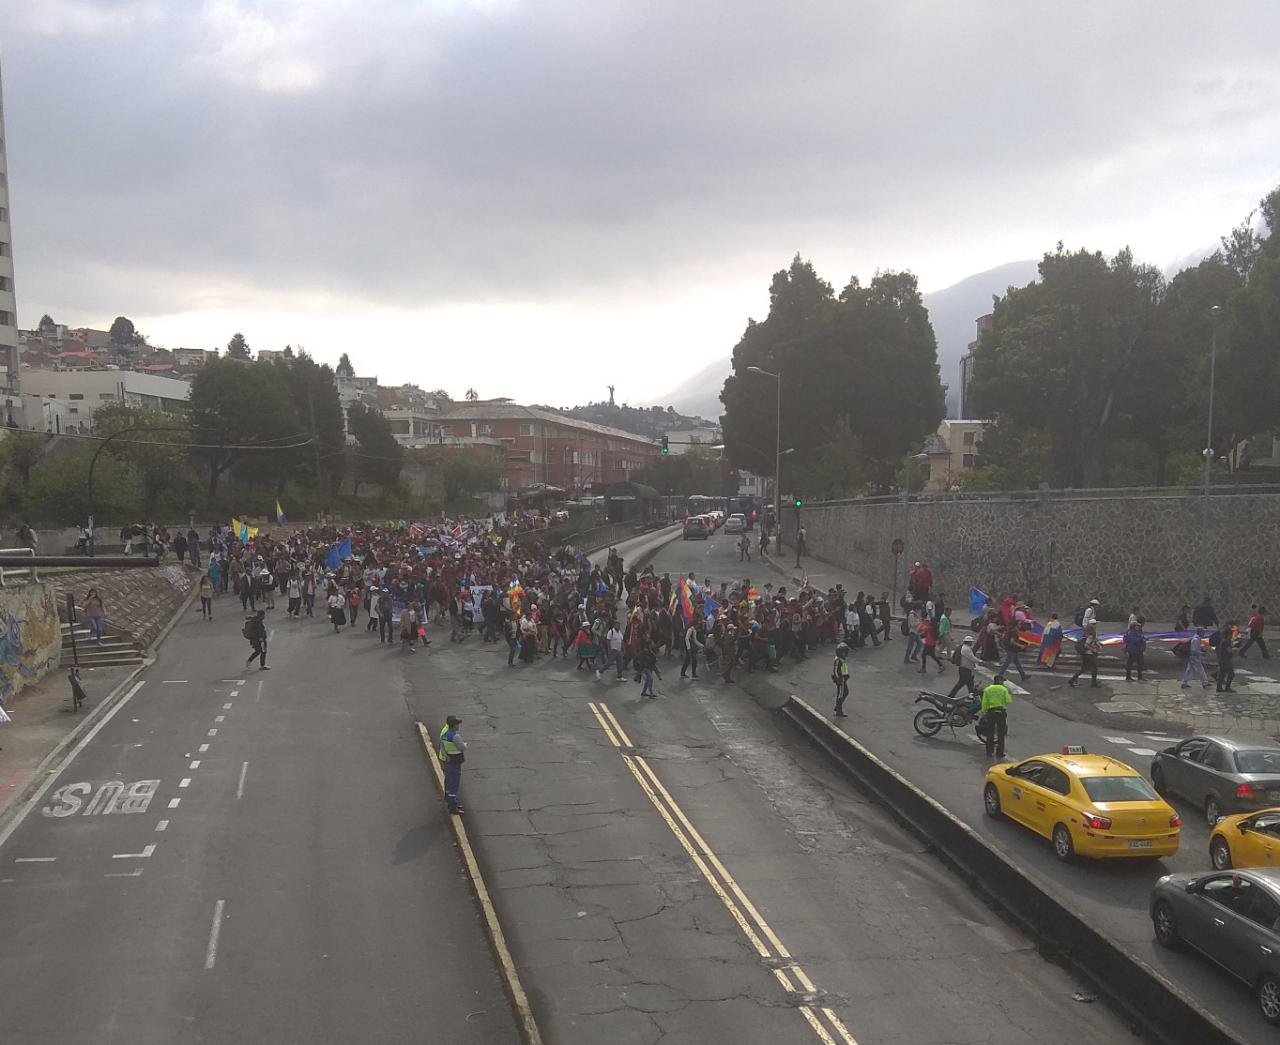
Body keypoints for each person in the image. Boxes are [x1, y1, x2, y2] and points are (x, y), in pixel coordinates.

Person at [438, 715, 466, 815]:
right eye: (457, 724)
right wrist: (464, 744)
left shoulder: (445, 734)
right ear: (454, 725)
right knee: (454, 784)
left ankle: (450, 800)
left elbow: (442, 746)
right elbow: (462, 748)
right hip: (455, 761)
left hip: (448, 760)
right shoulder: (455, 736)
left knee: (449, 781)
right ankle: (453, 806)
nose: (459, 725)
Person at [979, 674, 1012, 759]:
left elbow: (984, 702)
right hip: (1001, 712)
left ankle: (989, 751)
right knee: (1001, 733)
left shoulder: (988, 689)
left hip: (991, 712)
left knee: (990, 732)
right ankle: (1000, 753)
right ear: (1000, 681)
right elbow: (1009, 701)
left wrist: (984, 711)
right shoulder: (1004, 689)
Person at [1068, 624, 1101, 688]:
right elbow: (1086, 645)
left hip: (1085, 655)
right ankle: (1093, 683)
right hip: (1089, 655)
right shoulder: (1090, 636)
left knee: (1083, 669)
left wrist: (1098, 645)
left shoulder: (1086, 635)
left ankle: (1072, 680)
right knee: (1095, 667)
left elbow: (1094, 642)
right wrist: (1093, 650)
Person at [1216, 621, 1238, 693]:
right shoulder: (1227, 641)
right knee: (1231, 674)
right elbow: (1229, 651)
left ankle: (1219, 687)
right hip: (1225, 660)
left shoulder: (1223, 640)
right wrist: (1235, 650)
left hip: (1221, 659)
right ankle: (1227, 687)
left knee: (1222, 674)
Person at [832, 642, 851, 717]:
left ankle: (838, 706)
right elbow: (835, 670)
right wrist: (838, 679)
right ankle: (839, 710)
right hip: (841, 679)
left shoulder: (841, 659)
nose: (846, 654)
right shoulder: (838, 660)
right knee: (841, 694)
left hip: (843, 678)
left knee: (845, 692)